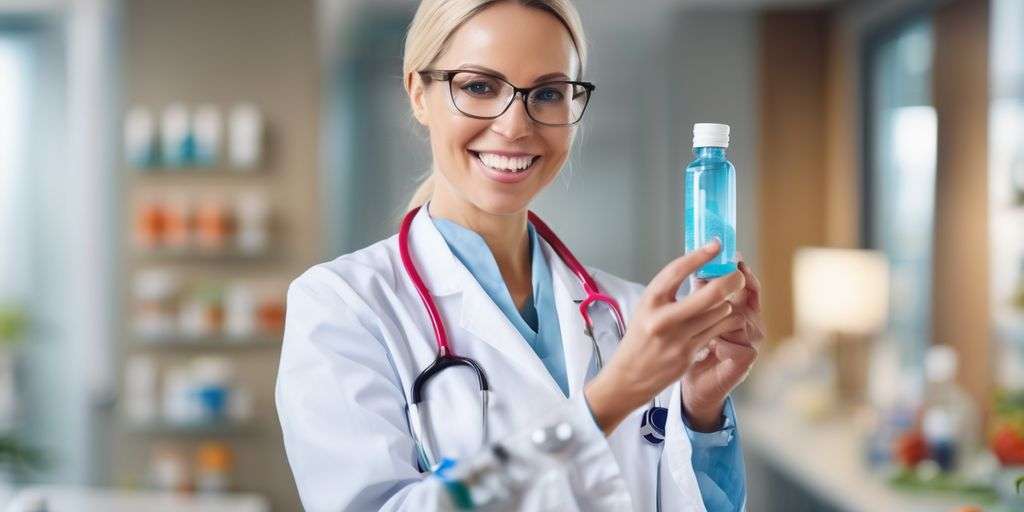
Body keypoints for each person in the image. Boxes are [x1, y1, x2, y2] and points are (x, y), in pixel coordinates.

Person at [276, 1, 766, 510]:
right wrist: (607, 402)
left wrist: (701, 412)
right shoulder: (344, 307)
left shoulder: (631, 312)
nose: (514, 126)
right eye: (479, 87)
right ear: (419, 93)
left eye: (549, 93)